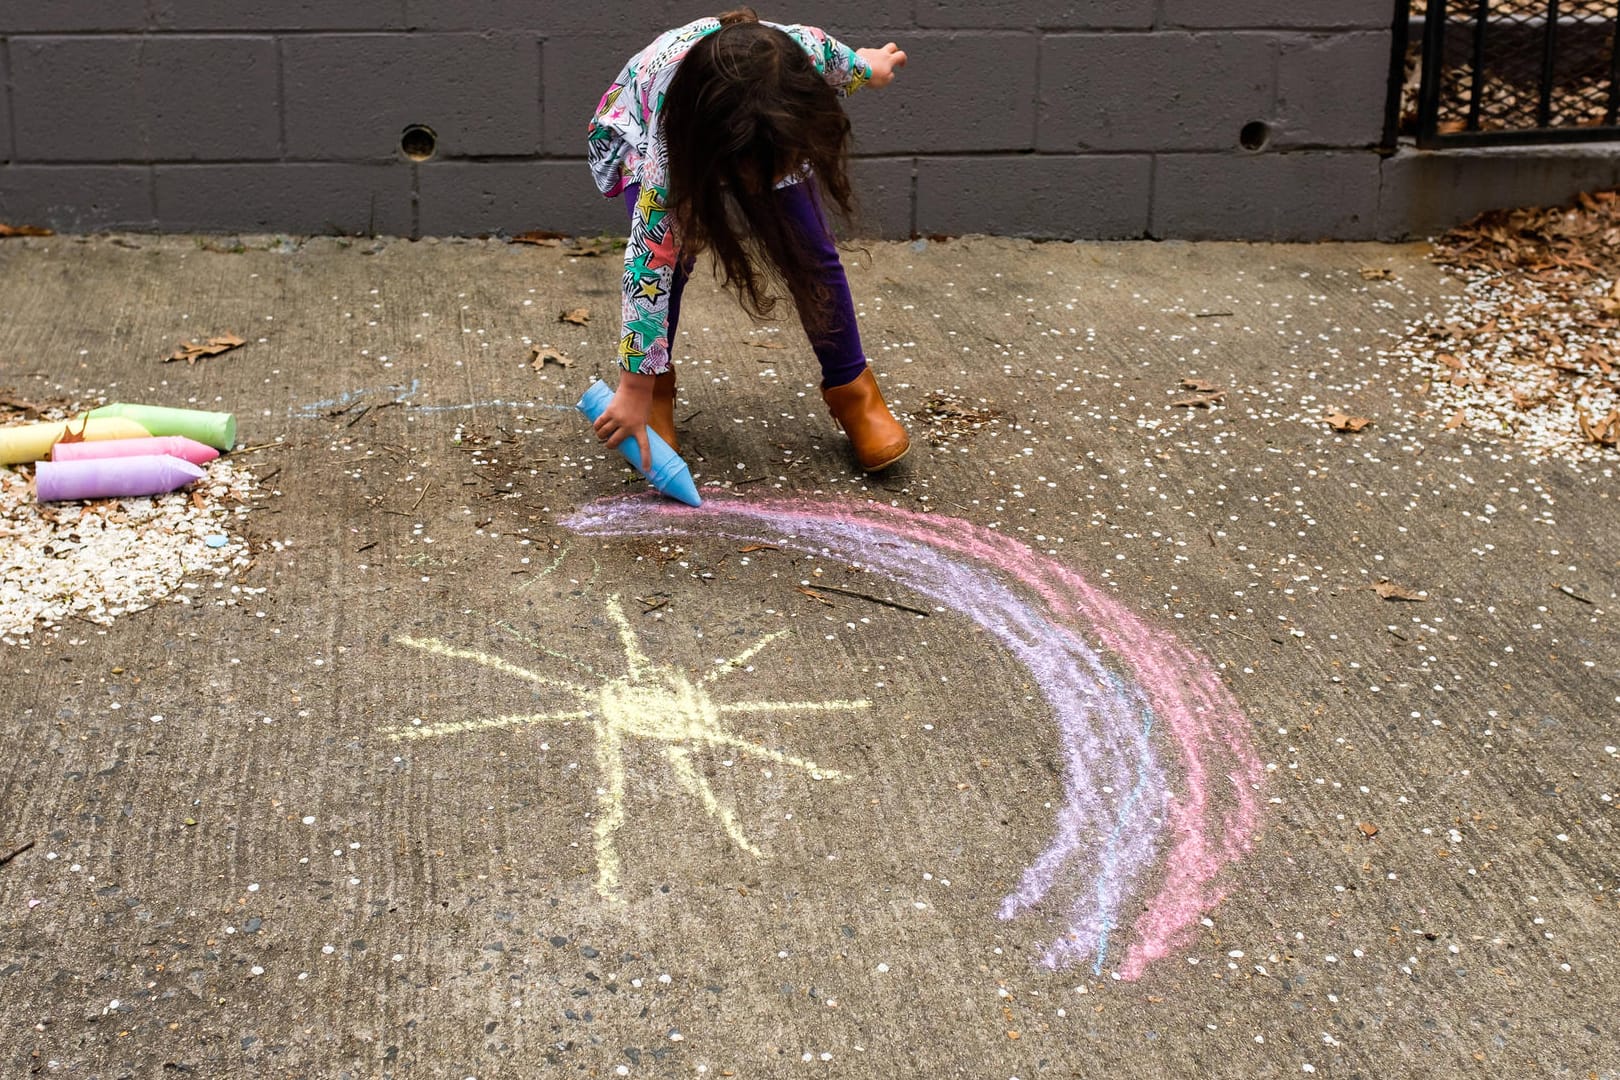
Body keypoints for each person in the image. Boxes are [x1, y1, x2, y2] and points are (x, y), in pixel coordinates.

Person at [585, 8, 911, 475]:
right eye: (756, 174)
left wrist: (869, 68)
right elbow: (646, 274)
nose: (762, 187)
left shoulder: (798, 54)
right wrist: (632, 392)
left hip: (761, 127)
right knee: (669, 264)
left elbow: (841, 61)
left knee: (812, 253)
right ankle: (655, 391)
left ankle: (853, 391)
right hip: (664, 123)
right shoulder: (667, 164)